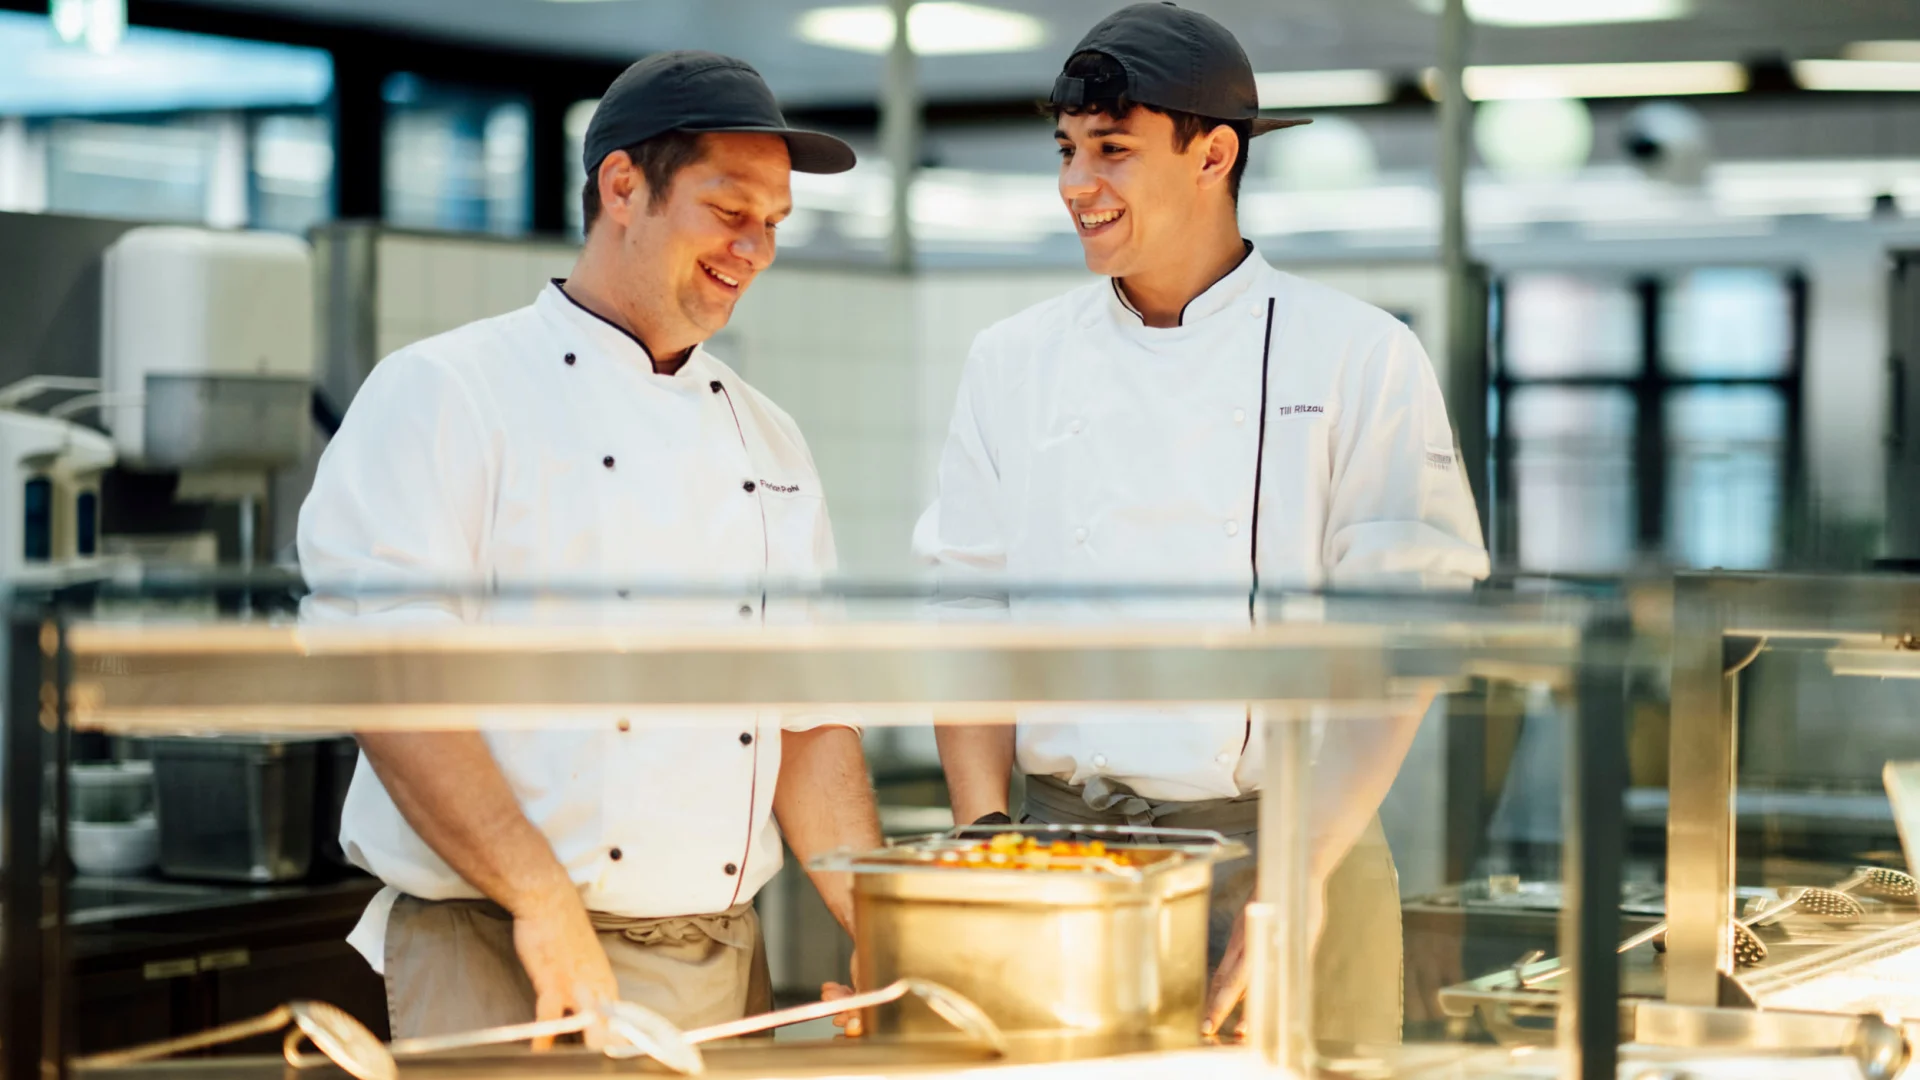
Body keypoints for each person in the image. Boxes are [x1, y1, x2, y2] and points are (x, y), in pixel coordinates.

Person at [916, 2, 1490, 1045]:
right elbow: (970, 610)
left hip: (1292, 846)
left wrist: (1297, 873)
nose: (1076, 185)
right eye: (1068, 151)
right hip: (1060, 862)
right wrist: (985, 843)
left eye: (1114, 151)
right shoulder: (1013, 361)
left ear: (1213, 155)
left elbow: (1404, 642)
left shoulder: (1359, 355)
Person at [298, 51, 881, 1042]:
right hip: (504, 945)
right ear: (623, 186)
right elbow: (394, 680)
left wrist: (876, 924)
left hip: (721, 959)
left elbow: (810, 720)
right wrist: (540, 900)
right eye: (730, 208)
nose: (757, 248)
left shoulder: (769, 436)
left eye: (774, 223)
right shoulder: (446, 392)